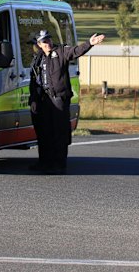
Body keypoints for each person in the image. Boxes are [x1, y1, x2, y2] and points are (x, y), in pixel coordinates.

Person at [29, 30, 105, 174]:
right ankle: (44, 162)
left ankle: (59, 164)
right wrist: (34, 100)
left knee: (59, 133)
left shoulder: (61, 52)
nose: (48, 43)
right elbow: (35, 79)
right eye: (44, 41)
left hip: (59, 100)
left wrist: (90, 43)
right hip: (44, 101)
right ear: (39, 44)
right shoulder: (38, 58)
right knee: (44, 133)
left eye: (49, 40)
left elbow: (76, 51)